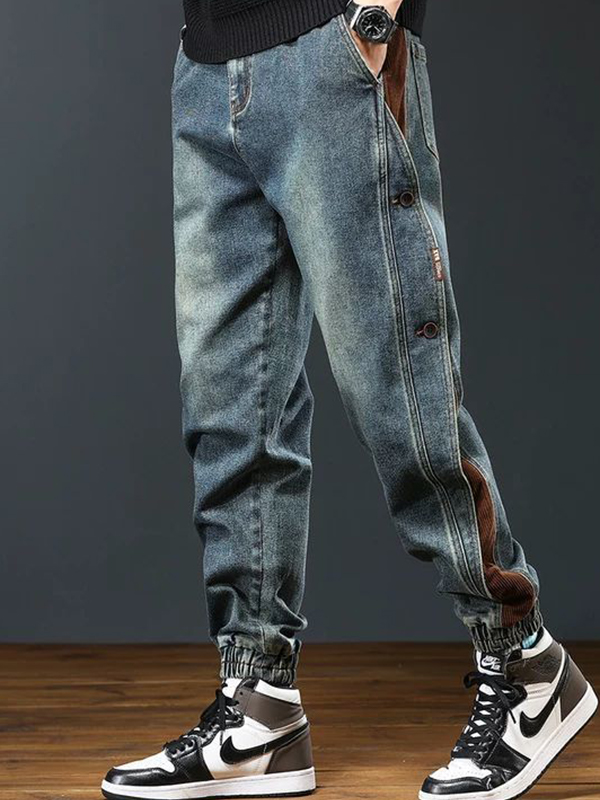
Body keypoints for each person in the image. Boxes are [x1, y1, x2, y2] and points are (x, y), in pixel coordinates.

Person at [101, 1, 598, 799]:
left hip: (330, 46)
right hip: (207, 64)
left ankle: (526, 662)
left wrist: (372, 19)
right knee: (230, 407)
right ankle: (258, 708)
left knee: (397, 385)